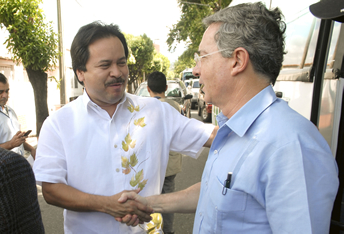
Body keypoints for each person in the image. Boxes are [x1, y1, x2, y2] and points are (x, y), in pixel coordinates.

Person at [117, 2, 339, 233]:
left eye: (203, 57)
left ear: (237, 61)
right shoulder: (233, 130)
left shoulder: (291, 146)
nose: (195, 70)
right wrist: (150, 203)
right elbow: (216, 191)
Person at [32, 21, 216, 233]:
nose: (117, 72)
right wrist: (106, 205)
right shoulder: (58, 124)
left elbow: (212, 136)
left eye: (121, 63)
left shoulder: (155, 112)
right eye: (105, 65)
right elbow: (52, 190)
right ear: (80, 73)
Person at [147, 71, 183, 234]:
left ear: (148, 89)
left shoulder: (145, 108)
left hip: (151, 165)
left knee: (151, 200)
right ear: (166, 88)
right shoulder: (175, 107)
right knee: (168, 200)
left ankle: (152, 230)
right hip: (170, 165)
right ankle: (168, 231)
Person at [0, 145, 44, 233]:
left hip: (14, 171)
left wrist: (31, 148)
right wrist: (11, 143)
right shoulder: (3, 164)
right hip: (6, 171)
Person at [0, 72, 36, 159]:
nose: (5, 95)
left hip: (17, 164)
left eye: (7, 91)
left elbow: (16, 141)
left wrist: (31, 149)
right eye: (0, 92)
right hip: (1, 169)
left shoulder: (10, 111)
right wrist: (10, 144)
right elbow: (12, 143)